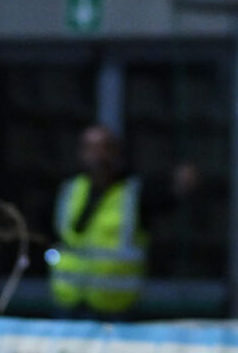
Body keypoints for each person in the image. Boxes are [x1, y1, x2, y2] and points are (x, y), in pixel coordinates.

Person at [48, 123, 200, 318]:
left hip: (115, 308)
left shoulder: (134, 194)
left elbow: (166, 199)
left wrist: (181, 187)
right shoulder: (70, 190)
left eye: (104, 148)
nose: (96, 156)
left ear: (116, 154)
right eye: (90, 148)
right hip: (68, 302)